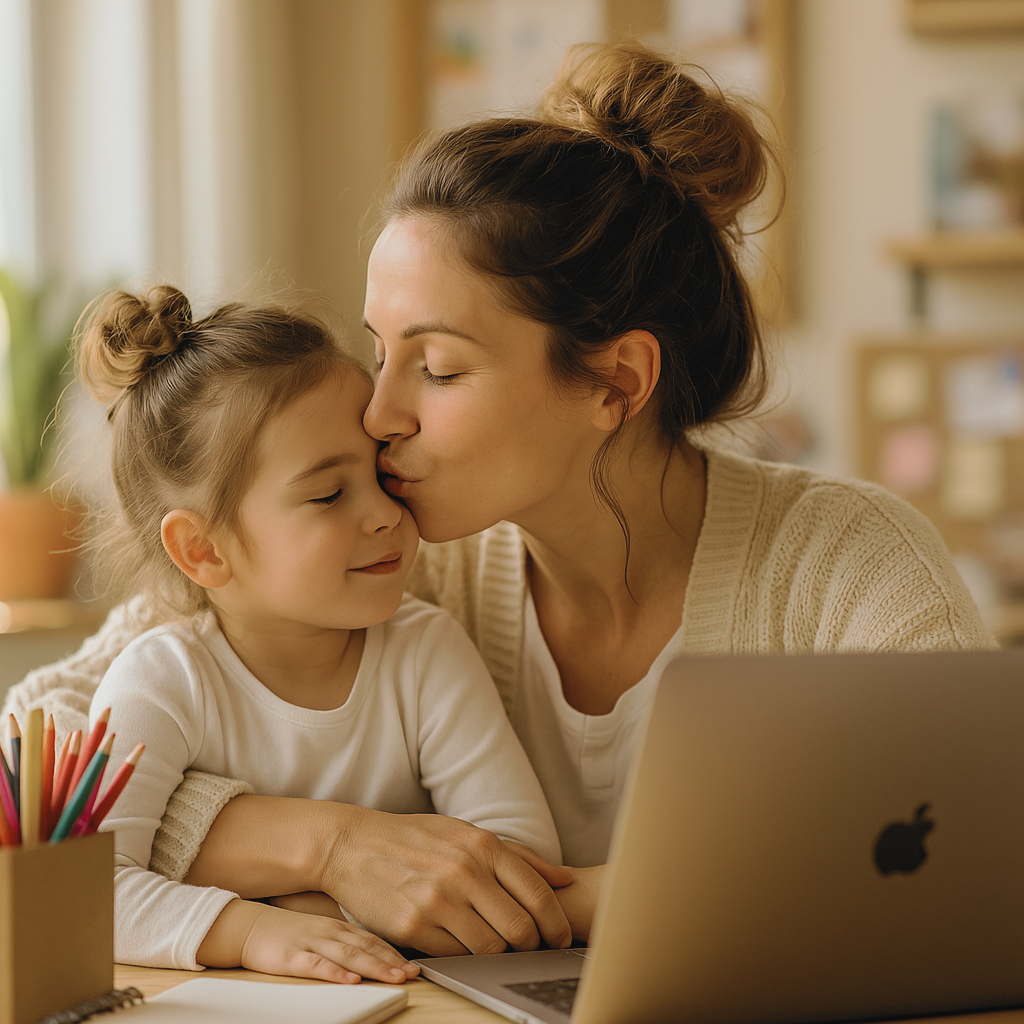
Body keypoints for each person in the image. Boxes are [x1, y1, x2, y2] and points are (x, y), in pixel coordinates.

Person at [5, 42, 994, 955]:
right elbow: (30, 762)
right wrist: (329, 845)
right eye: (379, 353)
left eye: (436, 368)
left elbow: (983, 857)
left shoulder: (841, 567)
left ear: (616, 382)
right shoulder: (385, 554)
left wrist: (571, 899)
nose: (378, 413)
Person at [70, 286, 565, 980]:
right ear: (202, 550)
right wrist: (252, 929)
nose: (385, 514)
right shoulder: (161, 681)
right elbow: (84, 889)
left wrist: (318, 907)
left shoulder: (426, 652)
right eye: (328, 494)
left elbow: (519, 863)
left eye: (382, 475)